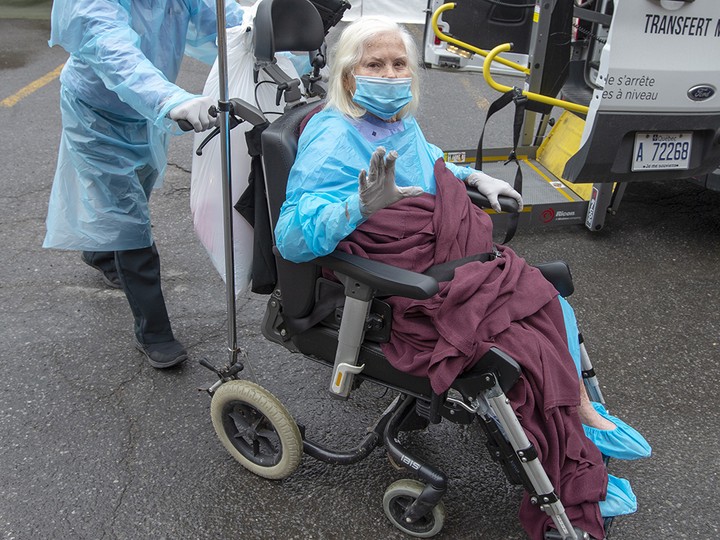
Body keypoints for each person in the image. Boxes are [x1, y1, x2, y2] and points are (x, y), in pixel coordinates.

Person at [274, 16, 651, 540]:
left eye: (399, 63)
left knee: (547, 301)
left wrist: (474, 178)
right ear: (348, 75)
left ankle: (580, 411)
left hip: (444, 257)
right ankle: (567, 444)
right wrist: (354, 208)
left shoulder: (400, 122)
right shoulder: (331, 135)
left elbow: (431, 166)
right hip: (395, 284)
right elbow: (289, 238)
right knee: (514, 348)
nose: (390, 73)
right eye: (374, 64)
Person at [43, 0, 247, 368]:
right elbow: (114, 52)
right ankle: (153, 331)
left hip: (146, 107)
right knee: (127, 217)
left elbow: (229, 25)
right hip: (98, 112)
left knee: (138, 188)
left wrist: (286, 36)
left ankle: (101, 251)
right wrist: (171, 99)